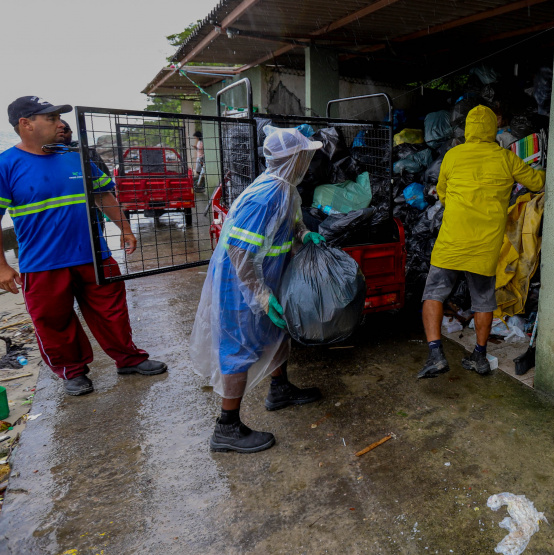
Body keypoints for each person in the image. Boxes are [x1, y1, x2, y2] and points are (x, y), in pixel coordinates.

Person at [0, 96, 167, 396]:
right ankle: (72, 372)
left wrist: (125, 228)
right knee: (54, 321)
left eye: (58, 117)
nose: (60, 123)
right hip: (42, 263)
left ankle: (128, 359)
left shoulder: (76, 158)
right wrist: (2, 266)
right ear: (25, 124)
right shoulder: (5, 165)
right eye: (50, 118)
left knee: (112, 311)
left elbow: (103, 195)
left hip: (94, 254)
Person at [190, 125, 325, 454]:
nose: (309, 159)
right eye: (305, 154)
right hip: (241, 287)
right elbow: (239, 252)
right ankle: (227, 427)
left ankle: (279, 390)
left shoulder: (287, 190)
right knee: (239, 351)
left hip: (265, 280)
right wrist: (262, 296)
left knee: (279, 335)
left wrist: (304, 235)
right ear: (292, 158)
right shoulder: (265, 196)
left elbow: (292, 223)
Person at [417, 105, 545, 379]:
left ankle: (436, 354)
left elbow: (441, 193)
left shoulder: (452, 156)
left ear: (468, 130)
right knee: (483, 301)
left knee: (434, 293)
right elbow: (536, 182)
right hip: (484, 247)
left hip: (451, 241)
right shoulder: (505, 158)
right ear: (492, 129)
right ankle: (479, 356)